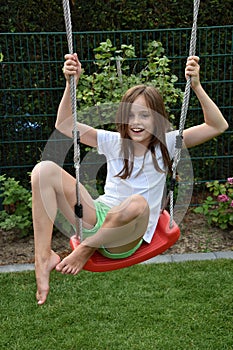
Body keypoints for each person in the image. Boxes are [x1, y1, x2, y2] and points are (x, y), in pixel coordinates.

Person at [32, 53, 228, 305]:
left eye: (144, 116)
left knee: (136, 202)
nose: (136, 123)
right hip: (100, 216)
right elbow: (65, 125)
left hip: (127, 233)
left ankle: (86, 248)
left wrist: (197, 87)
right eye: (131, 115)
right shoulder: (113, 142)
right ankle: (43, 259)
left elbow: (216, 126)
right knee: (43, 170)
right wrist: (72, 84)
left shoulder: (169, 144)